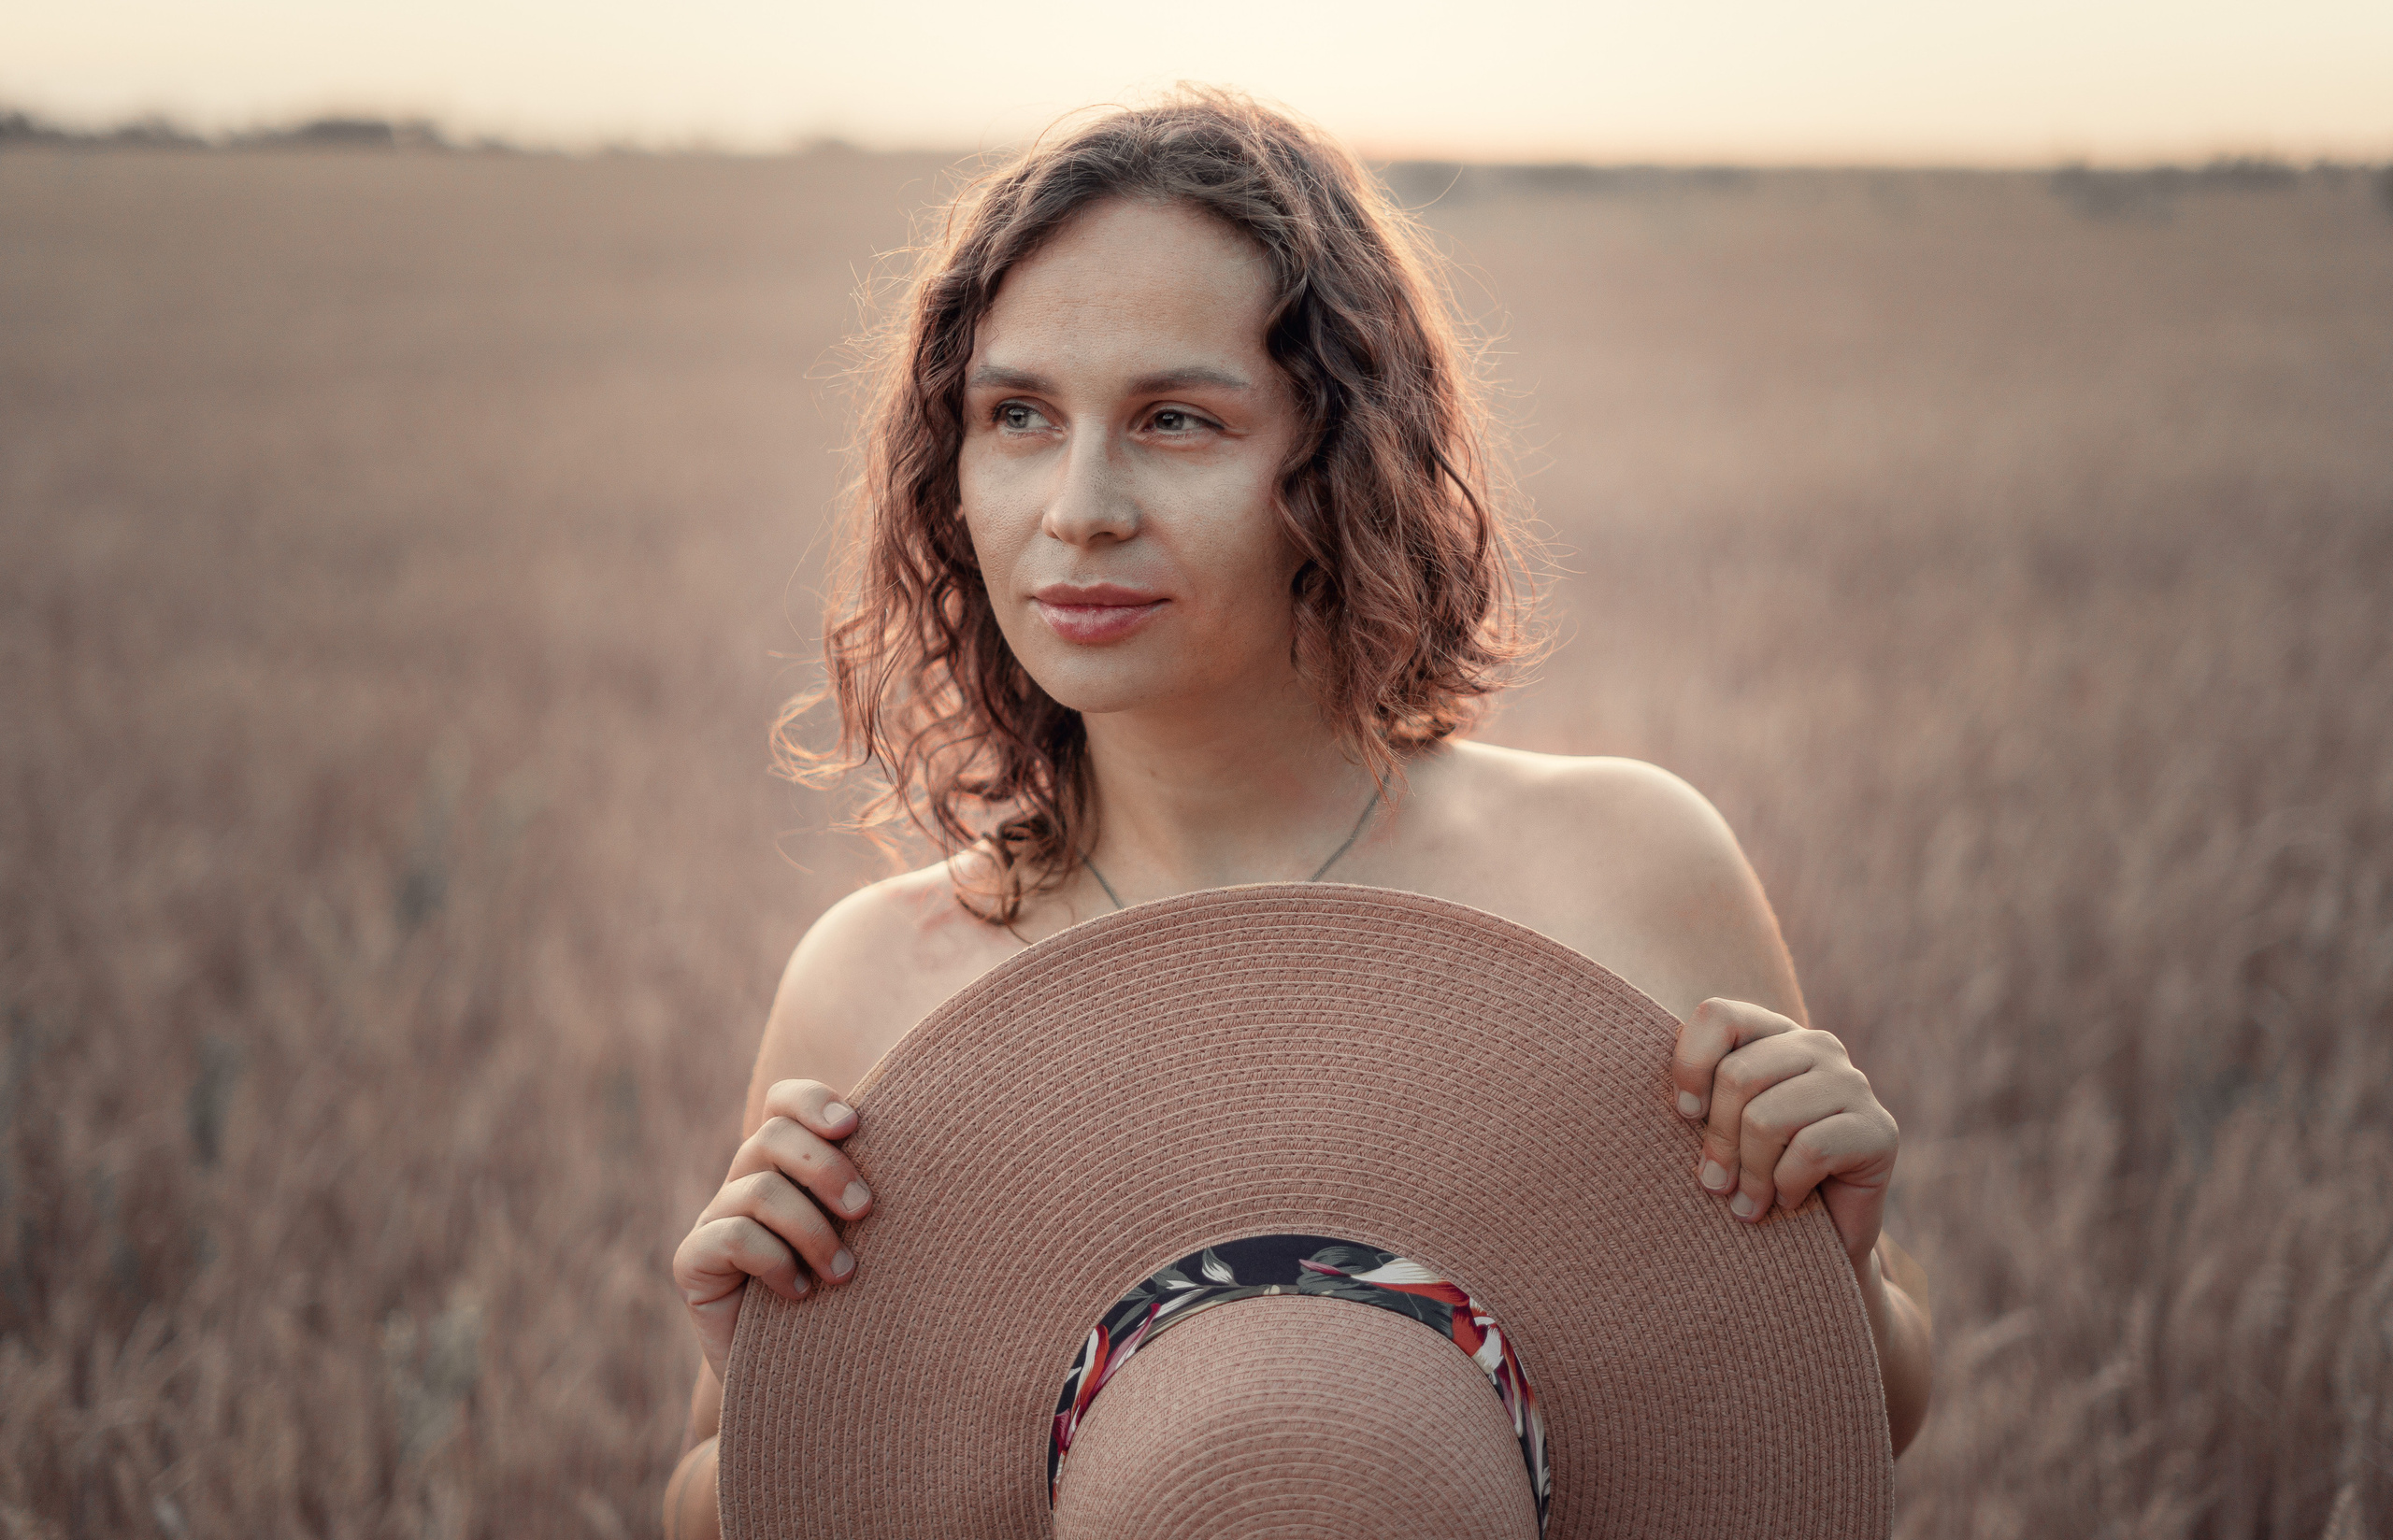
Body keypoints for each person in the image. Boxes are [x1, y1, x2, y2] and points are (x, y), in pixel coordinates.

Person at [664, 89, 1932, 1540]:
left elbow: (1848, 1411)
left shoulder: (1621, 872)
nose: (1078, 507)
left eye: (1176, 420)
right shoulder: (876, 983)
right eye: (1017, 416)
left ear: (1340, 459)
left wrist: (1840, 1273)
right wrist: (776, 1385)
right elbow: (713, 1503)